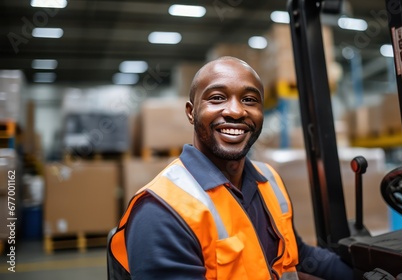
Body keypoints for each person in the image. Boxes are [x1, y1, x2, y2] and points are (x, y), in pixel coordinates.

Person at [109, 56, 353, 280]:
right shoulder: (161, 211)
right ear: (191, 112)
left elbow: (299, 256)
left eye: (249, 100)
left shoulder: (269, 180)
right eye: (217, 98)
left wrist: (361, 274)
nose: (236, 111)